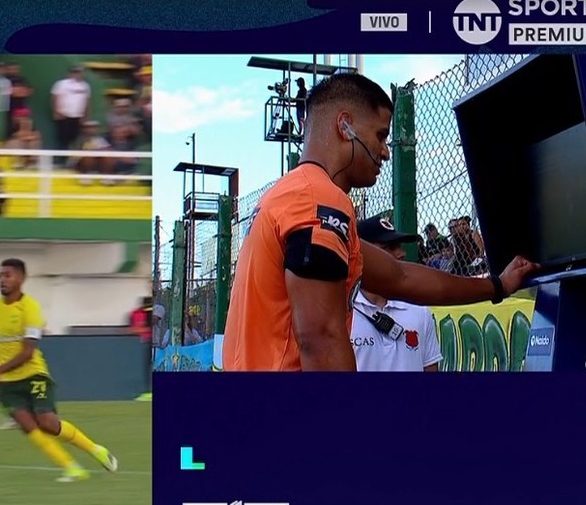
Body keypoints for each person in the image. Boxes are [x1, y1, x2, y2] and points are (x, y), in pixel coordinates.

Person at [222, 72, 539, 371]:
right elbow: (321, 339)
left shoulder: (285, 197)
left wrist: (498, 285)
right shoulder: (318, 200)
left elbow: (401, 277)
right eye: (381, 135)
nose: (386, 152)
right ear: (345, 126)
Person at [0, 258, 118, 481]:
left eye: (8, 275)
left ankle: (96, 450)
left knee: (47, 423)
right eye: (0, 275)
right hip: (7, 382)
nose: (2, 280)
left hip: (34, 375)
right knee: (29, 427)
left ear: (21, 278)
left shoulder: (31, 308)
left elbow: (28, 352)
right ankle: (72, 468)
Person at [350, 217, 443, 372]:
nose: (401, 253)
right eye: (389, 248)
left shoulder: (419, 309)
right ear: (361, 253)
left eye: (399, 246)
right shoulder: (340, 311)